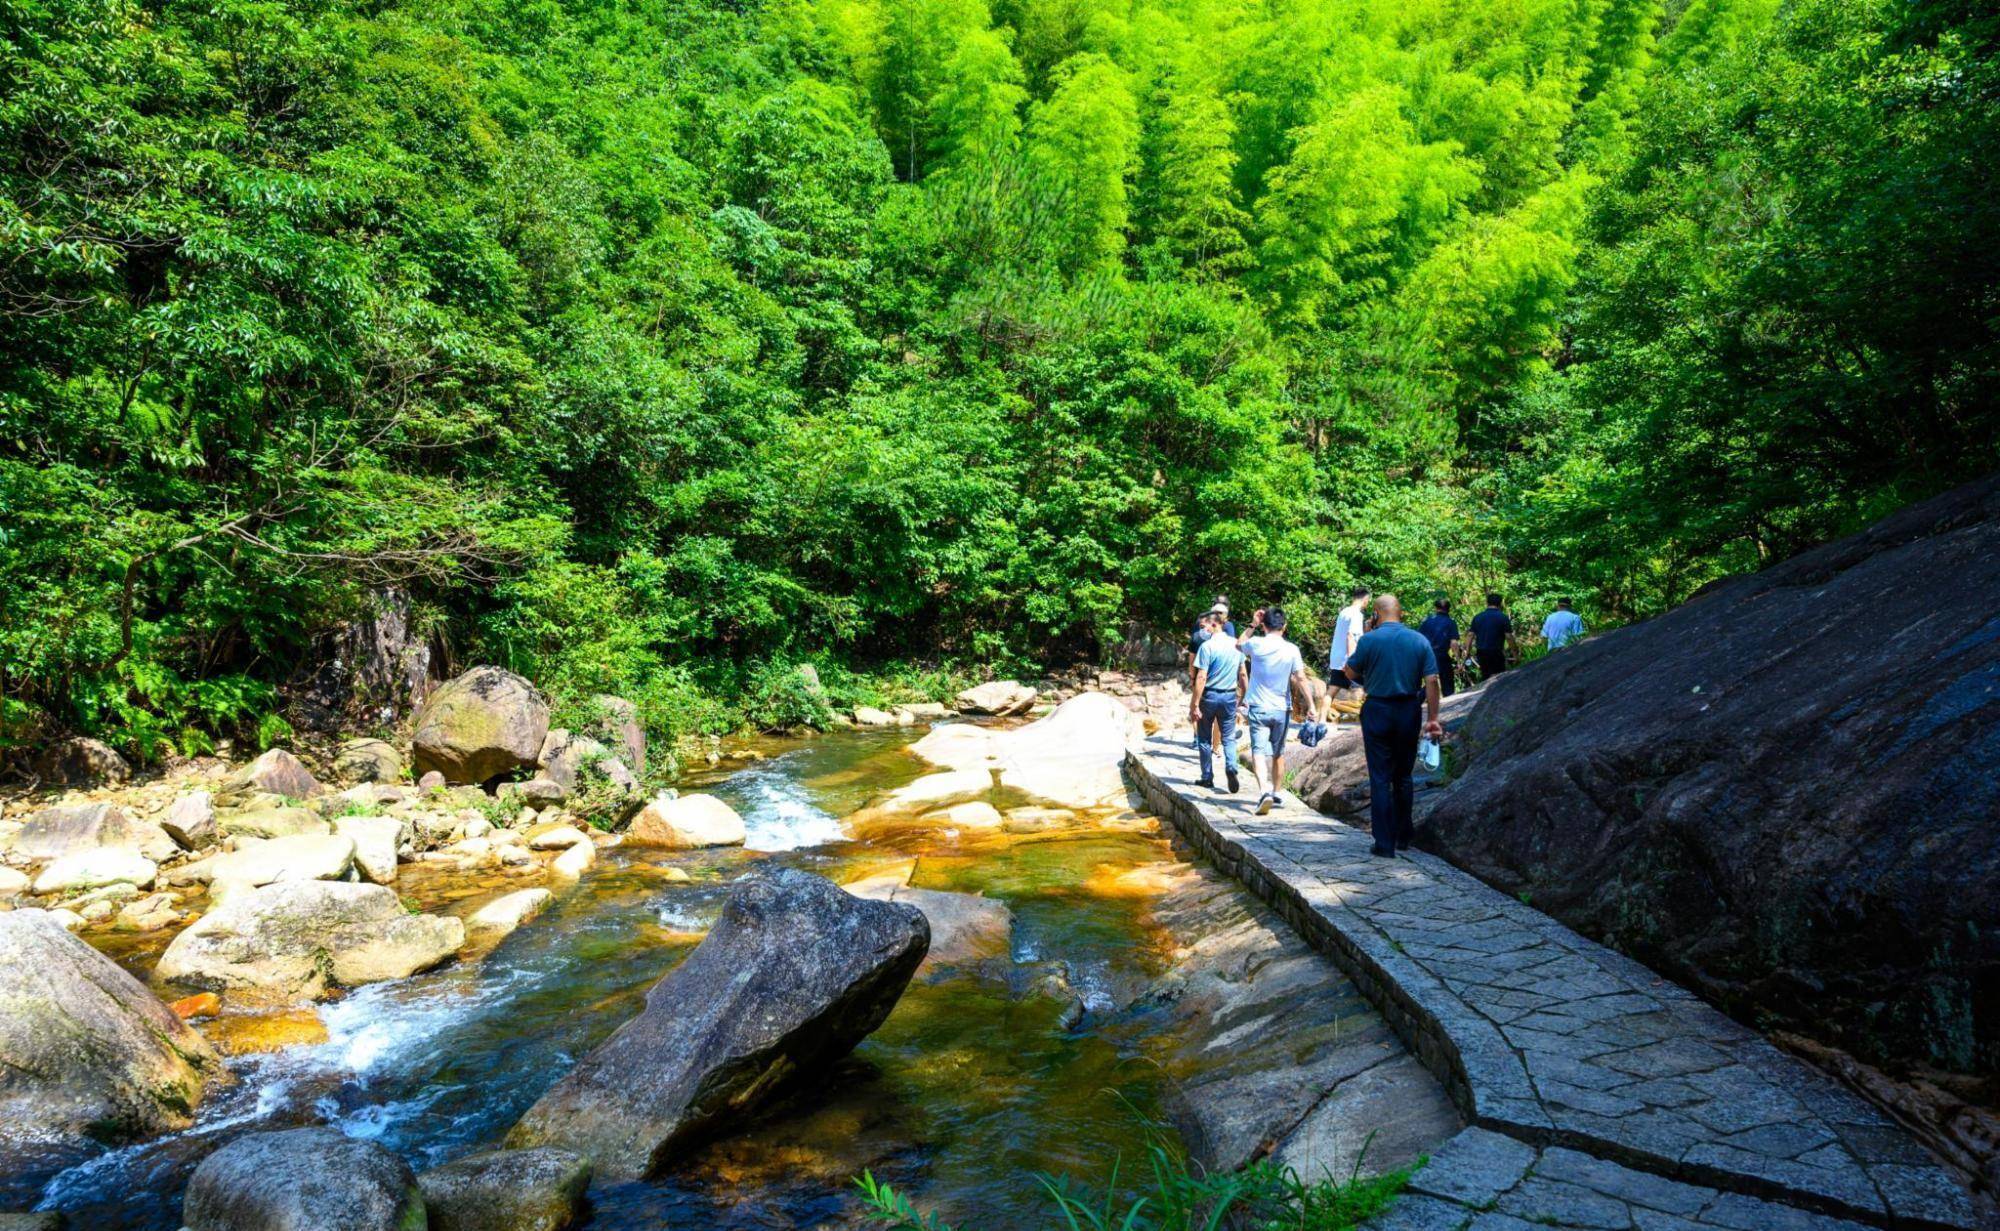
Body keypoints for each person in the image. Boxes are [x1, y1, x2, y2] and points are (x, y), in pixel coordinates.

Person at [1342, 595, 1444, 857]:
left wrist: (1366, 637)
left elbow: (1349, 673)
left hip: (1377, 709)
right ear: (1401, 613)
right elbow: (1432, 681)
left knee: (1380, 777)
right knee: (1403, 775)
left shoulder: (1369, 640)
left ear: (1376, 613)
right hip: (1408, 710)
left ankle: (1384, 843)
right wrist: (1433, 718)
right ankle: (1403, 836)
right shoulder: (1419, 640)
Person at [1240, 605, 1313, 815]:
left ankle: (1264, 791)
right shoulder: (1292, 649)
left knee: (1259, 752)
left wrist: (1252, 624)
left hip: (1259, 708)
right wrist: (1312, 706)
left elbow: (1238, 644)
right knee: (1278, 753)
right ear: (1285, 626)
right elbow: (1300, 678)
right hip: (1282, 709)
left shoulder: (1255, 644)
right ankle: (1277, 792)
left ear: (1264, 625)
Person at [1187, 614, 1245, 793]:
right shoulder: (1237, 645)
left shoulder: (1207, 646)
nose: (1203, 630)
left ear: (1214, 625)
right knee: (1228, 736)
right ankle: (1231, 766)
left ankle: (1207, 777)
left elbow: (1201, 676)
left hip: (1210, 696)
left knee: (1204, 738)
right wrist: (1243, 697)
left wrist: (1195, 704)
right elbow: (1242, 674)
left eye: (1205, 626)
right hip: (1229, 696)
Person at [1417, 599, 1461, 698]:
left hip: (1426, 655)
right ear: (1449, 609)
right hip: (1442, 655)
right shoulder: (1450, 622)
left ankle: (1417, 700)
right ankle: (1450, 703)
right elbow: (1453, 643)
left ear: (1436, 608)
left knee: (1429, 680)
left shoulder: (1427, 621)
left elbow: (1418, 639)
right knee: (1447, 683)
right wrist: (1458, 660)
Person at [1468, 592, 1515, 684]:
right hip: (1496, 651)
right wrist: (1515, 653)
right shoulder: (1503, 617)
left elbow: (1470, 635)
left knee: (1485, 677)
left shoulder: (1477, 617)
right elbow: (1509, 636)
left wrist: (1467, 652)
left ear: (1487, 603)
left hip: (1481, 652)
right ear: (1500, 604)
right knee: (1499, 678)